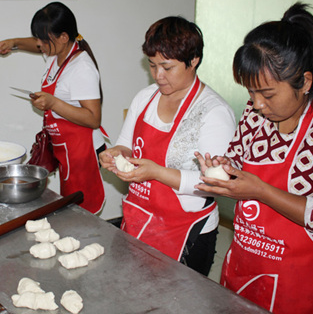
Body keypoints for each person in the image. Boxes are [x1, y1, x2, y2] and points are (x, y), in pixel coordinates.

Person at [195, 3, 313, 313]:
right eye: (251, 93)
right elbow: (236, 157)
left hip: (301, 284)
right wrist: (222, 169)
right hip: (245, 266)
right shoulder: (255, 114)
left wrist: (261, 191)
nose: (257, 104)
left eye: (267, 93)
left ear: (304, 82)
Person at [99, 16, 236, 275]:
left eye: (167, 67)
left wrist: (157, 172)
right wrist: (116, 155)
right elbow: (126, 146)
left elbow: (217, 183)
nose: (158, 76)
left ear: (193, 60)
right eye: (152, 66)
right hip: (139, 220)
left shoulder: (213, 112)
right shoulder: (145, 98)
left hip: (185, 232)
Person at [0, 2, 106, 214]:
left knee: (81, 214)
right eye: (38, 38)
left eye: (44, 40)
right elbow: (35, 45)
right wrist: (14, 42)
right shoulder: (56, 54)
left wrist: (53, 103)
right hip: (65, 146)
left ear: (64, 37)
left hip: (84, 152)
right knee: (70, 208)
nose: (39, 45)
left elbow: (93, 118)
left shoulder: (81, 67)